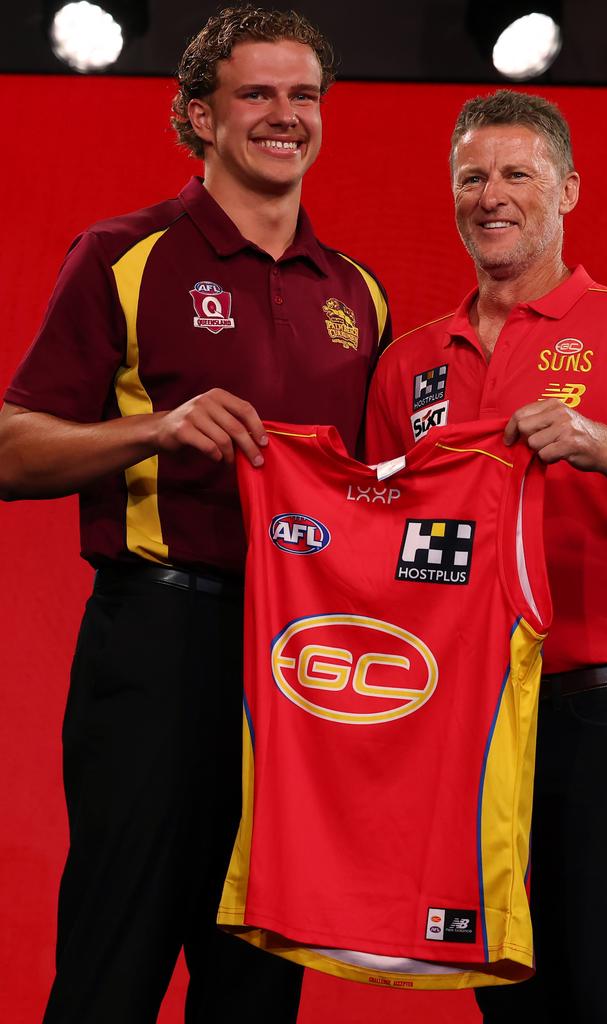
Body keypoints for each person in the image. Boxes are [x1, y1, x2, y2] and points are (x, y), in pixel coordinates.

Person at [0, 6, 389, 1023]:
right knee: (112, 963)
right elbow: (12, 444)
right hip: (159, 644)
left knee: (261, 974)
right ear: (199, 118)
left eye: (304, 95)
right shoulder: (125, 256)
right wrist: (156, 430)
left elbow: (378, 486)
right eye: (255, 94)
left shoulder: (359, 293)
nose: (284, 116)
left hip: (301, 663)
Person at [364, 90, 607, 1023]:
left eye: (516, 174)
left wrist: (602, 443)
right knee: (513, 1003)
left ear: (567, 190)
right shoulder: (409, 364)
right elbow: (376, 539)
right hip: (477, 734)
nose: (490, 195)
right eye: (471, 176)